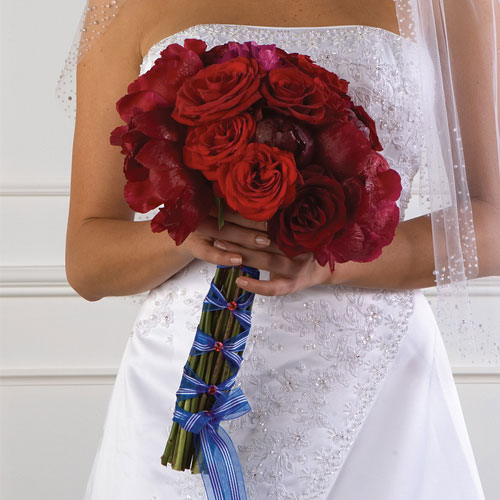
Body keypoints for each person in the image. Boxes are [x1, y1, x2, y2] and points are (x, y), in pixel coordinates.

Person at [63, 0, 500, 498]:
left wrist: (333, 262)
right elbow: (87, 260)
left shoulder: (451, 6)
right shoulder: (120, 6)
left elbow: (492, 222)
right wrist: (188, 232)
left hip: (376, 386)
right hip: (178, 382)